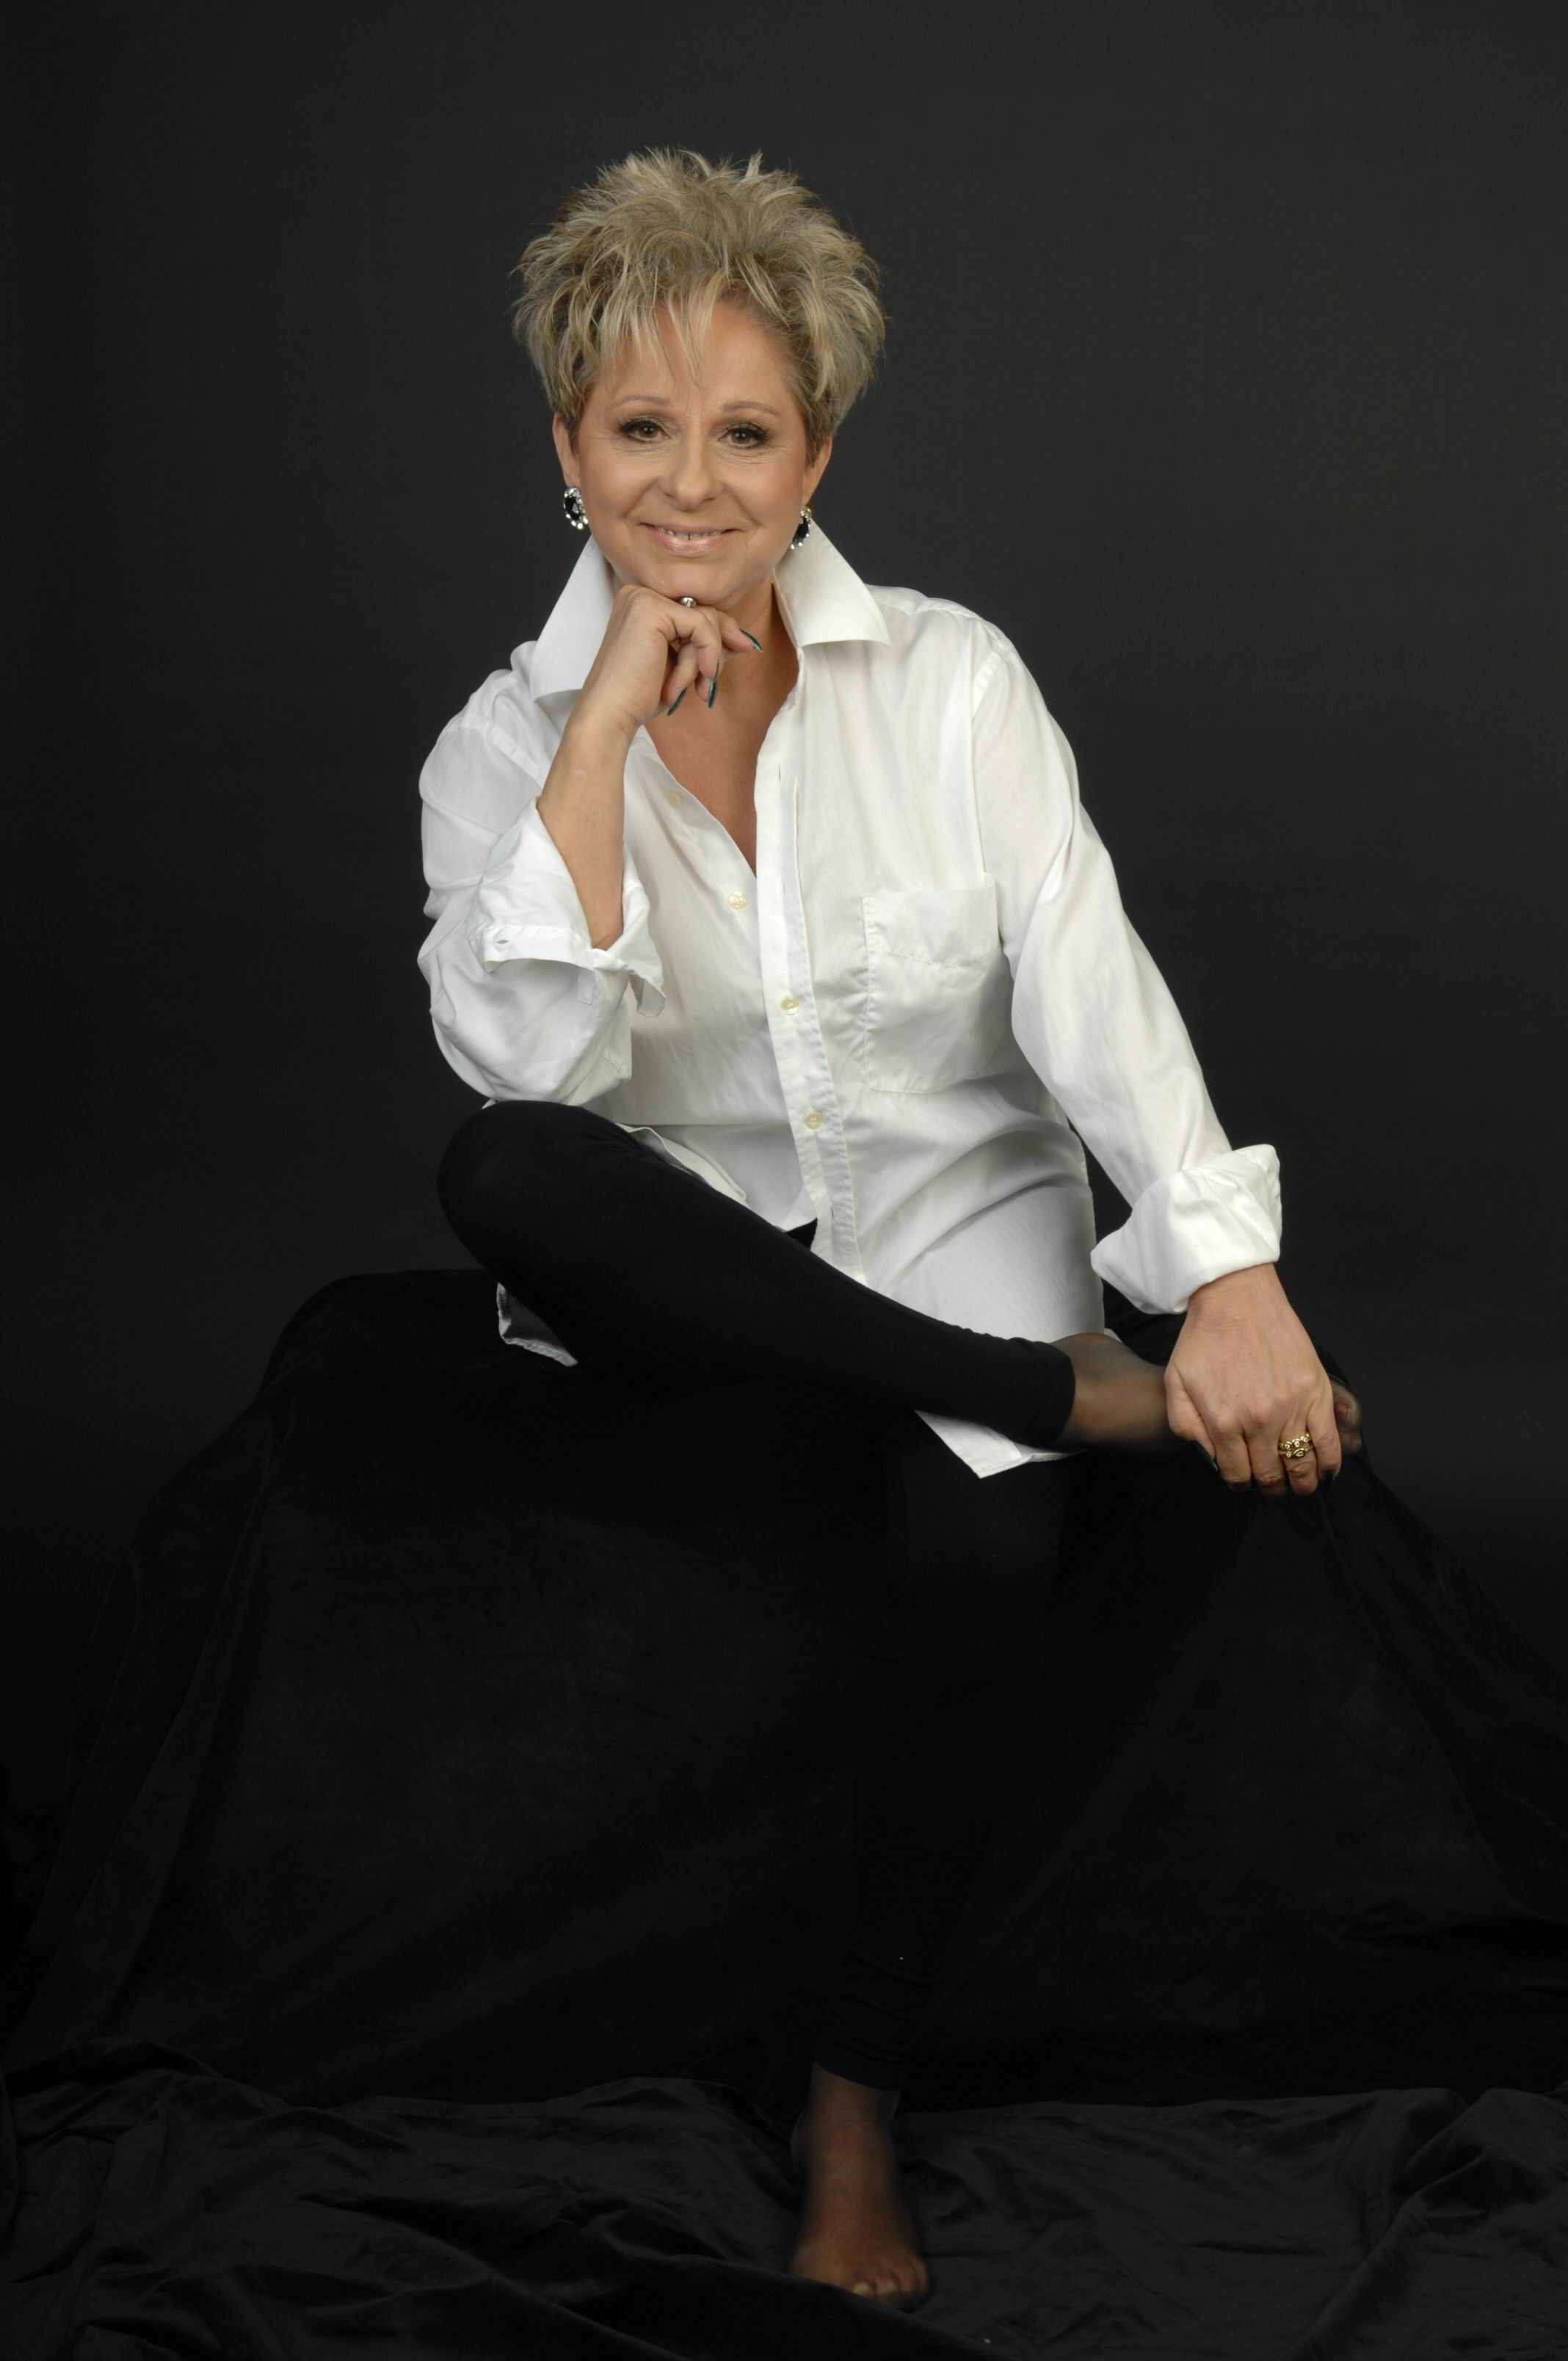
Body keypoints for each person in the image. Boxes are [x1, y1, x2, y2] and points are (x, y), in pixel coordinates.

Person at [416, 147, 1362, 2310]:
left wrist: (1226, 1273)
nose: (690, 484)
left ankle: (855, 2102)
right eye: (640, 428)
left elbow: (1087, 976)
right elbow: (523, 1066)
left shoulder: (951, 681)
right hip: (695, 1299)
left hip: (950, 1226)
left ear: (817, 455)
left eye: (745, 432)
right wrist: (599, 725)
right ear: (568, 447)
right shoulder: (495, 748)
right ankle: (1054, 1393)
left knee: (977, 1562)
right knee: (506, 1171)